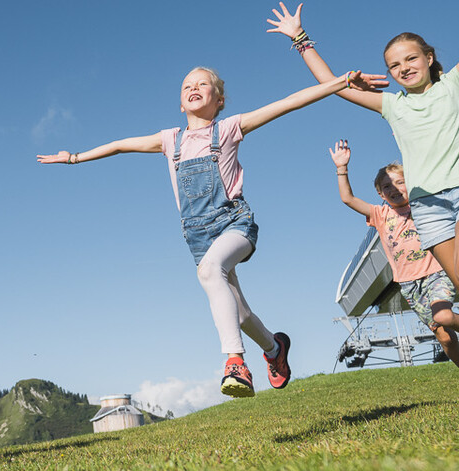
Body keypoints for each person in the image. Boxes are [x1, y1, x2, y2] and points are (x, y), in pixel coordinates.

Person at [267, 0, 459, 409]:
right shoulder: (394, 106)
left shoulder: (456, 82)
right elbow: (333, 83)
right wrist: (299, 38)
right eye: (393, 65)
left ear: (429, 57)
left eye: (410, 58)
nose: (403, 68)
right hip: (429, 207)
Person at [37, 65, 369, 398]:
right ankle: (274, 347)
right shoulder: (169, 140)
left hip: (234, 223)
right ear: (181, 104)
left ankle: (235, 363)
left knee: (210, 273)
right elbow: (120, 145)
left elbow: (288, 103)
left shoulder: (227, 129)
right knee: (238, 313)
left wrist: (340, 82)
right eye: (187, 86)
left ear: (219, 99)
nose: (194, 88)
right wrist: (74, 158)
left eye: (203, 84)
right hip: (197, 235)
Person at [328, 141, 459, 405]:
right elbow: (347, 199)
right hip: (409, 284)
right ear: (380, 194)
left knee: (444, 314)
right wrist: (342, 168)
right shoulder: (380, 214)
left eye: (400, 182)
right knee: (444, 337)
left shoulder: (424, 205)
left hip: (437, 272)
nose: (394, 189)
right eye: (387, 186)